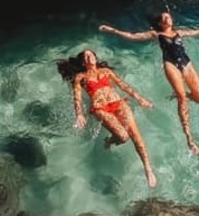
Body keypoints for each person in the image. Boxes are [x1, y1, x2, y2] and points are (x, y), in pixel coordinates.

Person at [99, 12, 199, 155]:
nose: (166, 18)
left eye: (168, 16)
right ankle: (189, 138)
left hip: (186, 63)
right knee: (182, 98)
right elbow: (132, 36)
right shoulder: (156, 35)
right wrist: (112, 30)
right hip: (170, 65)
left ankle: (181, 95)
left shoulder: (180, 32)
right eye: (163, 17)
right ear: (160, 23)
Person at [56, 49, 157, 187]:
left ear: (95, 58)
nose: (88, 57)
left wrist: (140, 99)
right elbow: (77, 97)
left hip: (119, 104)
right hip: (100, 109)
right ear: (83, 62)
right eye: (85, 56)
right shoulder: (81, 77)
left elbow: (124, 86)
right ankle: (109, 140)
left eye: (90, 55)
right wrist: (79, 114)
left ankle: (148, 169)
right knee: (123, 137)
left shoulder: (106, 72)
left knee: (136, 136)